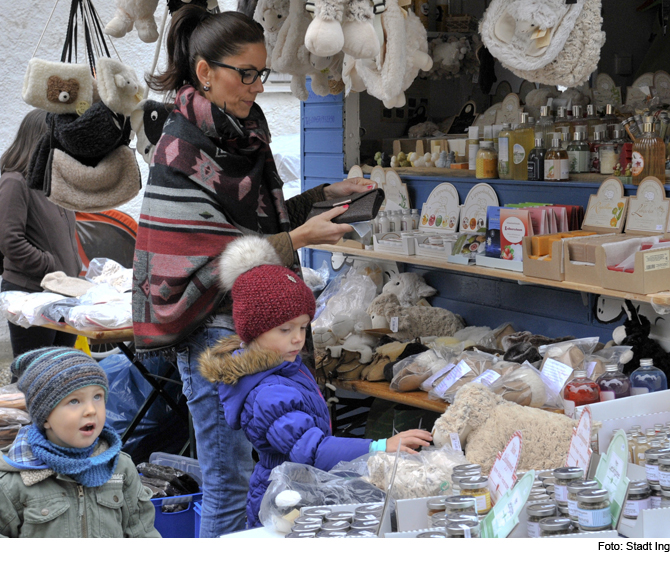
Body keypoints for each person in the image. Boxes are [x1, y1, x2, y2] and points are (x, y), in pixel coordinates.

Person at [135, 6, 374, 537]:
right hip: (211, 334)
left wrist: (322, 198)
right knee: (232, 480)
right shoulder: (182, 147)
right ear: (204, 72)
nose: (258, 87)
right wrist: (295, 240)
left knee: (260, 481)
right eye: (246, 74)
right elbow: (204, 254)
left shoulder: (242, 136)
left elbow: (248, 220)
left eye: (263, 74)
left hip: (248, 322)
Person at [199, 236, 433, 527]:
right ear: (253, 332)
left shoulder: (282, 365)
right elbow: (314, 451)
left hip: (301, 488)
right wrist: (380, 446)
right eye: (285, 329)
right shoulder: (267, 394)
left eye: (302, 326)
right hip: (283, 501)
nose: (298, 338)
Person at [0, 347, 160, 538]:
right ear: (45, 418)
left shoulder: (120, 468)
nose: (91, 410)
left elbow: (143, 533)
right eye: (75, 401)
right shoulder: (15, 480)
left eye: (97, 397)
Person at [0, 109, 81, 364]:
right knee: (32, 375)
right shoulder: (14, 182)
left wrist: (74, 268)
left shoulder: (53, 184)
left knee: (60, 376)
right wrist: (50, 265)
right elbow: (10, 241)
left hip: (63, 293)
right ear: (39, 140)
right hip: (31, 295)